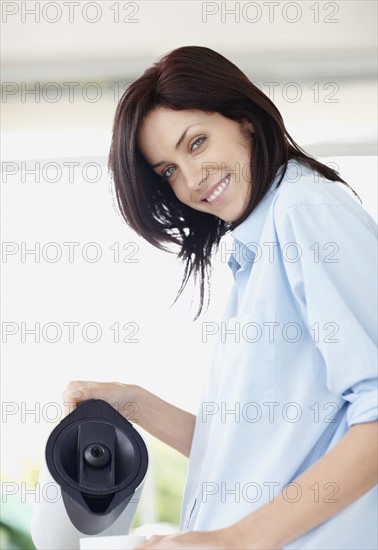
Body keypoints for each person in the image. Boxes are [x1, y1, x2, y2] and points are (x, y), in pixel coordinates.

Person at [63, 46, 378, 549]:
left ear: (244, 119)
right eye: (167, 170)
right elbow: (256, 451)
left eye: (197, 143)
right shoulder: (258, 249)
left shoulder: (306, 209)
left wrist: (233, 540)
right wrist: (136, 403)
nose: (190, 181)